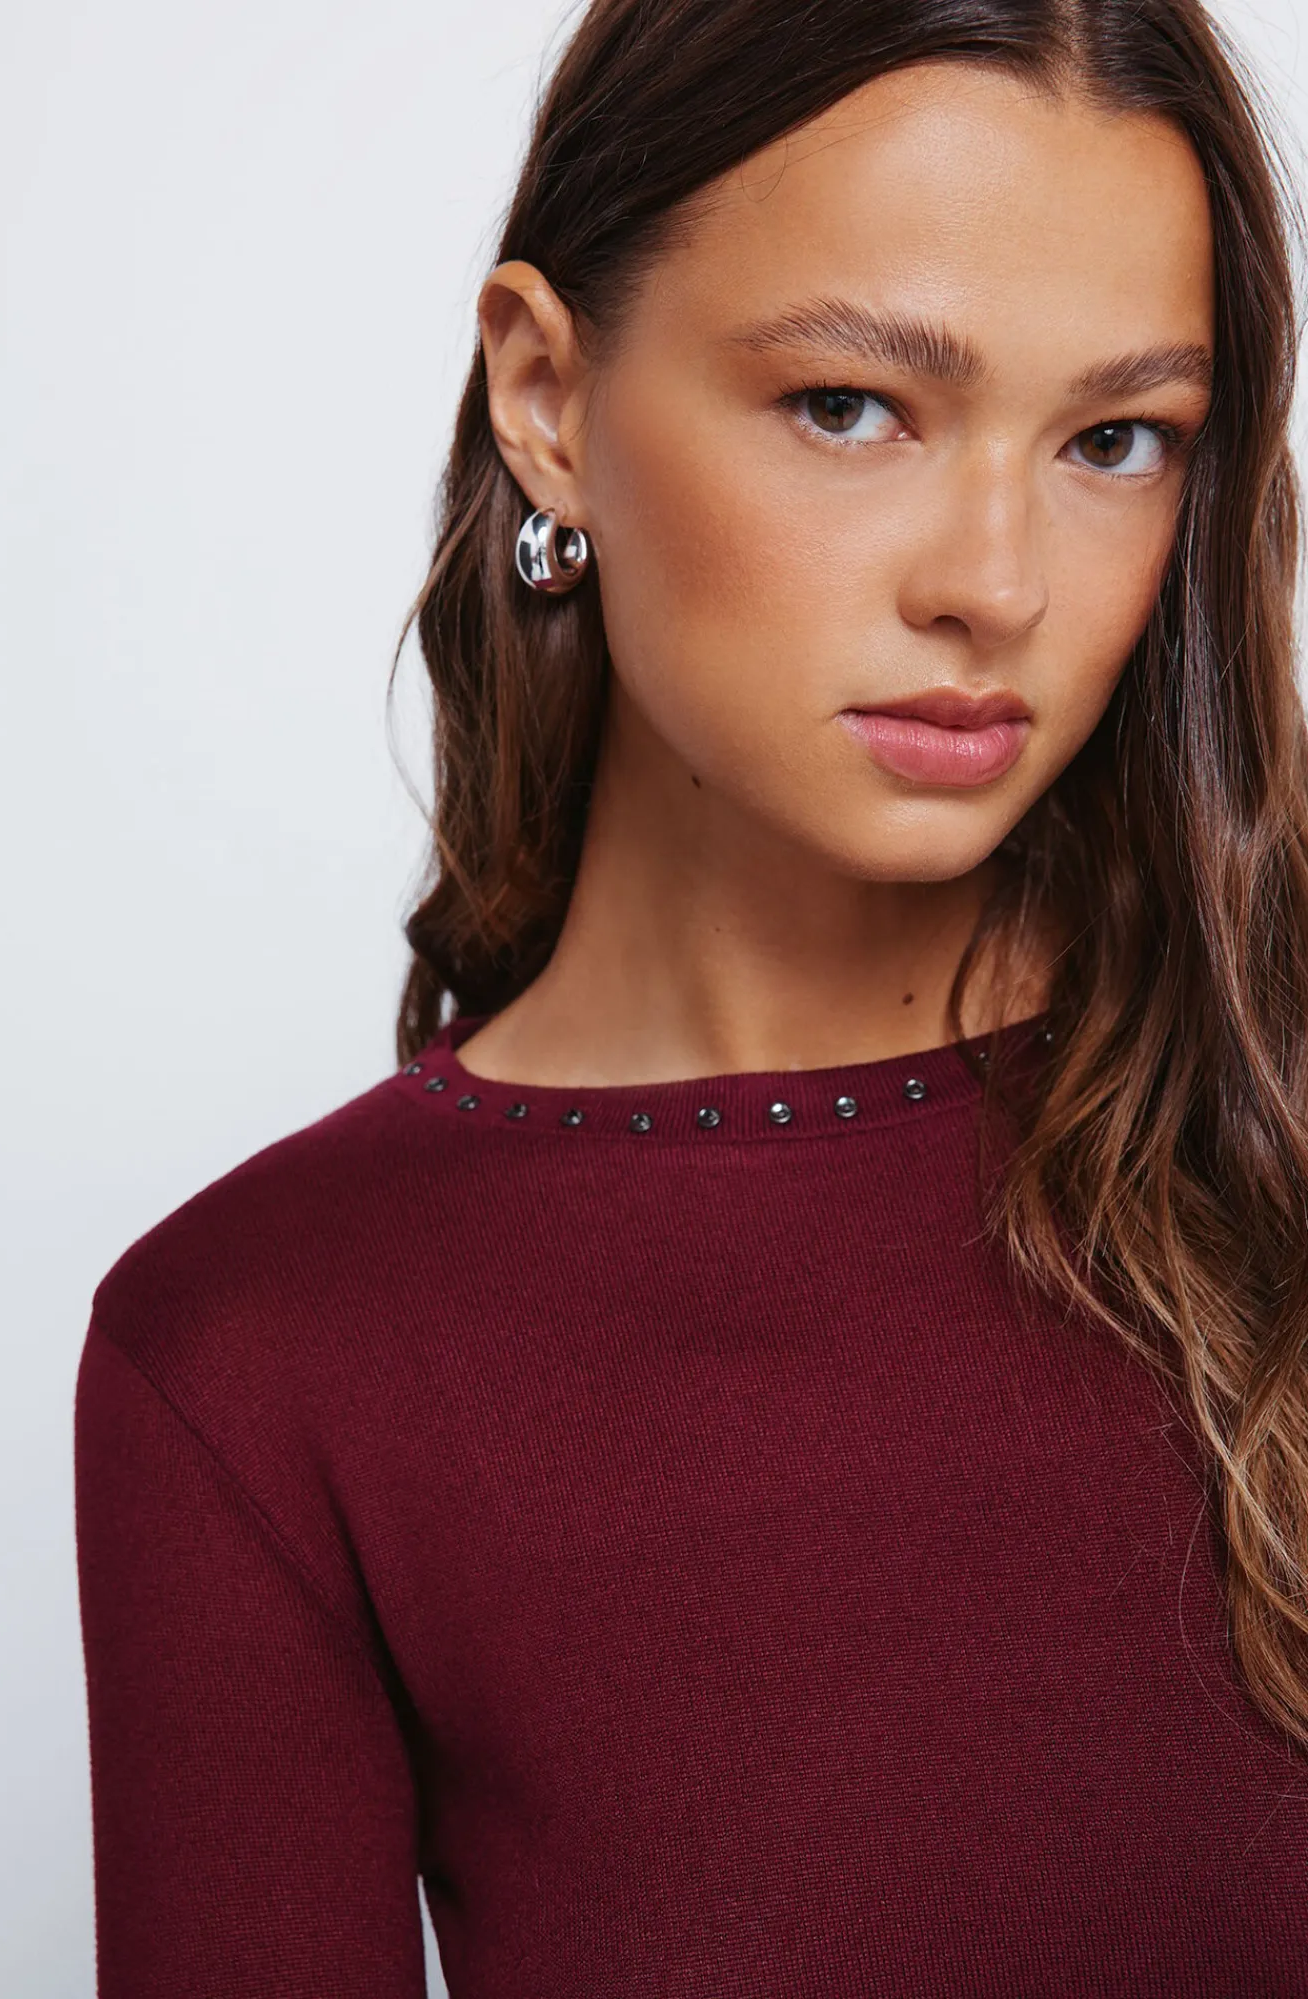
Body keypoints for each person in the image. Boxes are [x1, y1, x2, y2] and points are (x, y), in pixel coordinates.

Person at [74, 0, 1308, 1993]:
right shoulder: (256, 1360)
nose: (996, 582)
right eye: (853, 406)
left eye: (1114, 439)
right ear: (548, 394)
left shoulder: (1280, 1129)